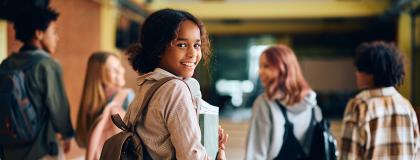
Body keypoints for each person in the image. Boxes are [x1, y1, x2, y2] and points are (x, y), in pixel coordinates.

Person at [123, 8, 228, 159]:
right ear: (158, 48)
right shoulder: (175, 89)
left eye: (197, 45)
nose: (192, 54)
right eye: (182, 45)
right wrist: (220, 155)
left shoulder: (148, 84)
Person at [0, 7, 74, 159]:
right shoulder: (48, 65)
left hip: (10, 152)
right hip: (41, 150)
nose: (57, 37)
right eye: (53, 32)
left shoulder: (6, 64)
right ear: (39, 33)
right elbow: (58, 108)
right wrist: (67, 135)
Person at [339, 41, 420, 160]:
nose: (356, 74)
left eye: (360, 69)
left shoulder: (359, 106)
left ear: (371, 74)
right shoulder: (406, 107)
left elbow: (348, 156)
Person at [245, 44, 322, 160]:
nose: (260, 72)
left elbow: (255, 155)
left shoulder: (265, 104)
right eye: (260, 66)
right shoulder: (312, 106)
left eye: (266, 66)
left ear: (283, 68)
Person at [75, 52, 134, 159]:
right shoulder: (126, 96)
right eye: (113, 69)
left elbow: (82, 141)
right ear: (100, 74)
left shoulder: (90, 105)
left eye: (119, 66)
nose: (120, 70)